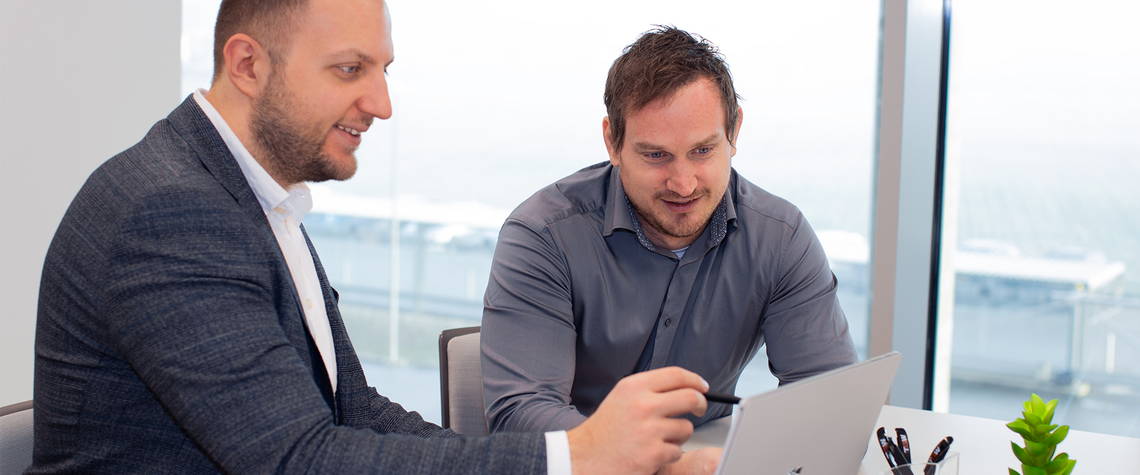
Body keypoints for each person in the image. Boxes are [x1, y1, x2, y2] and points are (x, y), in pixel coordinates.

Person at [29, 1, 720, 473]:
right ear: (247, 65)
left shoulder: (248, 199)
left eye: (383, 71)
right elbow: (302, 459)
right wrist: (576, 457)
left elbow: (355, 411)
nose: (381, 105)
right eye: (349, 69)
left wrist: (593, 456)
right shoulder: (173, 213)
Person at [481, 26, 859, 434]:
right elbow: (521, 416)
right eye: (656, 155)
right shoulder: (543, 236)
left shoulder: (780, 238)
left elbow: (830, 402)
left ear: (733, 134)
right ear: (613, 142)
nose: (684, 183)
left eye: (703, 151)